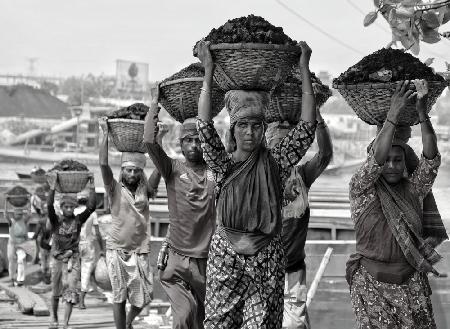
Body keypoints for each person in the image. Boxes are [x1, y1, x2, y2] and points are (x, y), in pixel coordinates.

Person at [196, 40, 317, 328]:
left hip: (267, 258)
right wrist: (208, 70)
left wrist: (303, 67)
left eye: (256, 126)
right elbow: (204, 126)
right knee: (218, 324)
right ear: (233, 129)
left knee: (262, 324)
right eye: (242, 126)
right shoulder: (222, 164)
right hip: (226, 256)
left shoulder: (276, 162)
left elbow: (306, 128)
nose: (249, 133)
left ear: (263, 129)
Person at [346, 80, 448, 328]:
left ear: (405, 163)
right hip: (371, 285)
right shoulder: (362, 189)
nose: (391, 166)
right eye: (386, 160)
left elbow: (431, 160)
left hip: (411, 284)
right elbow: (374, 163)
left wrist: (422, 112)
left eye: (398, 160)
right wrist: (393, 114)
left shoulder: (413, 190)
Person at [143, 87, 216, 329]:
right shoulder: (173, 169)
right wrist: (155, 103)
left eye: (199, 140)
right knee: (183, 317)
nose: (194, 145)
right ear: (180, 144)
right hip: (176, 260)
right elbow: (149, 142)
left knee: (208, 320)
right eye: (188, 141)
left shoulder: (217, 171)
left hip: (208, 261)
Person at [266, 104, 333, 329]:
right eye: (279, 145)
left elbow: (325, 155)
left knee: (294, 325)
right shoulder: (256, 173)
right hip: (262, 269)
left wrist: (318, 119)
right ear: (268, 146)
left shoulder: (302, 175)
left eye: (290, 146)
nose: (285, 152)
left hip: (293, 269)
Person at [99, 116, 160, 329]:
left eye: (136, 170)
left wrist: (158, 142)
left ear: (141, 171)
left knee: (146, 295)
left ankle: (125, 323)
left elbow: (160, 169)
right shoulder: (114, 188)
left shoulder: (147, 190)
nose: (132, 174)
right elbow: (103, 163)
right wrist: (105, 133)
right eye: (128, 169)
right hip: (116, 249)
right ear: (122, 170)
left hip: (140, 250)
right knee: (119, 296)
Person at [46, 172, 96, 329]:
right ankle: (54, 317)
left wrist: (92, 185)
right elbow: (48, 206)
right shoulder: (56, 221)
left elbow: (92, 206)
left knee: (71, 292)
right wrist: (53, 187)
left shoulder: (78, 220)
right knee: (55, 292)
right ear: (61, 208)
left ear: (75, 208)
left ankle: (65, 324)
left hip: (73, 260)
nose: (69, 209)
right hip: (57, 259)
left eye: (71, 207)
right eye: (66, 206)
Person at [74, 190, 104, 309]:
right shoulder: (92, 213)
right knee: (86, 271)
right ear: (87, 201)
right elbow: (97, 233)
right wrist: (101, 249)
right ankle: (81, 301)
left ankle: (74, 298)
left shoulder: (72, 211)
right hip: (88, 244)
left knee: (74, 272)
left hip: (74, 244)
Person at [4, 201, 33, 287]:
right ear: (14, 214)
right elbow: (5, 214)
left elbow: (30, 213)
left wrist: (29, 201)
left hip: (22, 244)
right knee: (11, 261)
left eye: (20, 214)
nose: (19, 215)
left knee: (21, 261)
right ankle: (12, 279)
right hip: (12, 243)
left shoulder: (24, 220)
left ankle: (20, 280)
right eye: (17, 214)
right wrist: (6, 201)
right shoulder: (11, 221)